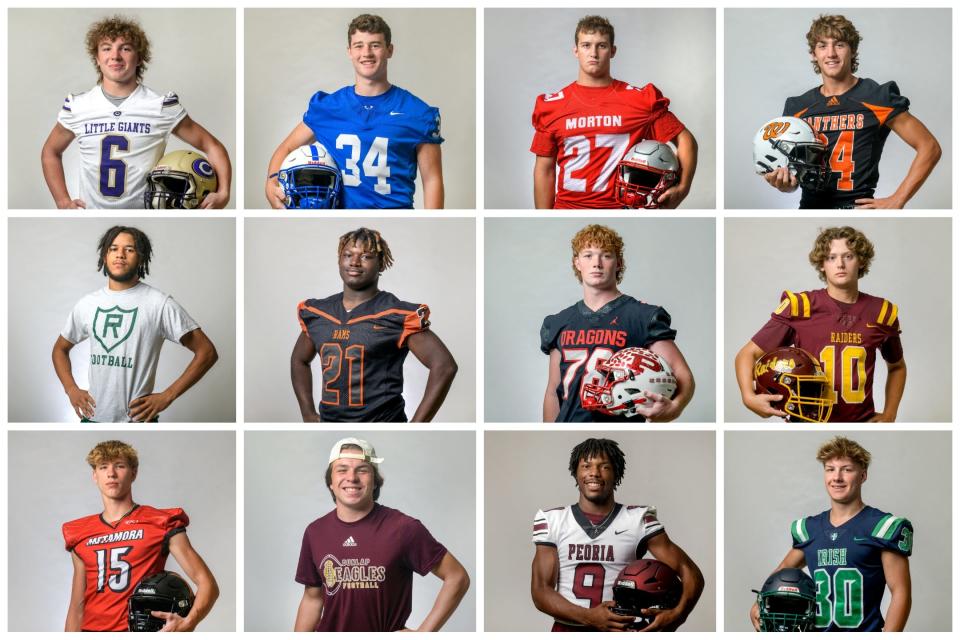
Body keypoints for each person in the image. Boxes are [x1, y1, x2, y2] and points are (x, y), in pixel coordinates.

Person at [41, 15, 232, 209]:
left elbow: (212, 146)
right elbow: (50, 152)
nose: (115, 56)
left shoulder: (160, 105)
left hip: (145, 213)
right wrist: (62, 201)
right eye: (106, 48)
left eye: (125, 48)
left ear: (139, 57)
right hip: (92, 214)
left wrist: (223, 193)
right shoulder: (78, 105)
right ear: (97, 58)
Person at [762, 14, 940, 209]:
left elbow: (929, 147)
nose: (831, 53)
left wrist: (898, 199)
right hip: (810, 209)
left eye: (839, 45)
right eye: (822, 46)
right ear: (814, 53)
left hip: (856, 208)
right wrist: (784, 184)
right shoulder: (798, 107)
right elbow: (794, 180)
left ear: (853, 50)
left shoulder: (876, 97)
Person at [266, 13, 444, 209]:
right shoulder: (328, 108)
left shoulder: (417, 113)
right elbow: (287, 148)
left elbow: (432, 180)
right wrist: (272, 180)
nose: (366, 53)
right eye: (359, 45)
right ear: (349, 51)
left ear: (389, 50)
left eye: (375, 45)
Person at [295, 437, 470, 631]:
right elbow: (312, 599)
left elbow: (457, 577)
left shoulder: (403, 528)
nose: (352, 477)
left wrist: (423, 634)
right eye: (342, 469)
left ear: (375, 481)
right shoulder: (315, 532)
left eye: (362, 469)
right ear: (331, 482)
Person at [735, 226, 905, 422]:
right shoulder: (801, 306)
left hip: (860, 423)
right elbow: (747, 354)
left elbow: (897, 367)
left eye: (848, 256)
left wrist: (890, 413)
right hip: (809, 422)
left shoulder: (881, 312)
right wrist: (748, 397)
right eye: (832, 257)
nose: (840, 264)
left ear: (861, 260)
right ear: (822, 264)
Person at [531, 438, 704, 631]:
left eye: (604, 467)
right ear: (576, 472)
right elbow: (540, 591)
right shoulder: (553, 520)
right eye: (586, 466)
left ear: (616, 474)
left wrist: (677, 615)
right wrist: (590, 617)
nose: (594, 473)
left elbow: (690, 573)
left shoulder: (637, 519)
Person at [52, 225, 219, 422]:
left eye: (129, 249)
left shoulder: (159, 303)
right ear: (104, 256)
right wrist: (71, 389)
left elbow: (207, 352)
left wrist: (168, 395)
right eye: (113, 249)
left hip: (138, 420)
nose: (120, 255)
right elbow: (60, 349)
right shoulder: (87, 304)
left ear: (140, 258)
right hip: (93, 418)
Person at [531, 15, 697, 209]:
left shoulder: (638, 101)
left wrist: (683, 188)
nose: (593, 53)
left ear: (613, 51)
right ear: (576, 51)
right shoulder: (553, 106)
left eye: (601, 45)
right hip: (567, 209)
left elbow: (686, 141)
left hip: (620, 209)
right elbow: (545, 169)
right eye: (586, 45)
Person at [291, 227, 457, 422]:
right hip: (330, 424)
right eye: (347, 255)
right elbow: (299, 360)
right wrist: (308, 413)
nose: (354, 262)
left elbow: (444, 366)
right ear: (339, 260)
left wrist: (417, 426)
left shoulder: (395, 315)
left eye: (366, 256)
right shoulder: (319, 313)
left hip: (382, 422)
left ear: (381, 264)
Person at [749, 436, 912, 631]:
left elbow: (901, 592)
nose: (837, 477)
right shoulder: (810, 529)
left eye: (847, 469)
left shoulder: (881, 527)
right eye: (830, 469)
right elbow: (784, 570)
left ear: (863, 475)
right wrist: (760, 601)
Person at [541, 224, 694, 422]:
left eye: (606, 255)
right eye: (588, 255)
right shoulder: (559, 322)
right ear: (577, 263)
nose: (596, 263)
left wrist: (675, 408)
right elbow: (553, 391)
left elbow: (682, 374)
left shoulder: (642, 316)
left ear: (618, 262)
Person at [63, 440, 219, 631]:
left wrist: (188, 623)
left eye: (119, 466)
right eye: (103, 467)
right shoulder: (80, 532)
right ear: (95, 476)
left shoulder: (161, 522)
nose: (111, 473)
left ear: (134, 473)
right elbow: (77, 606)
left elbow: (207, 584)